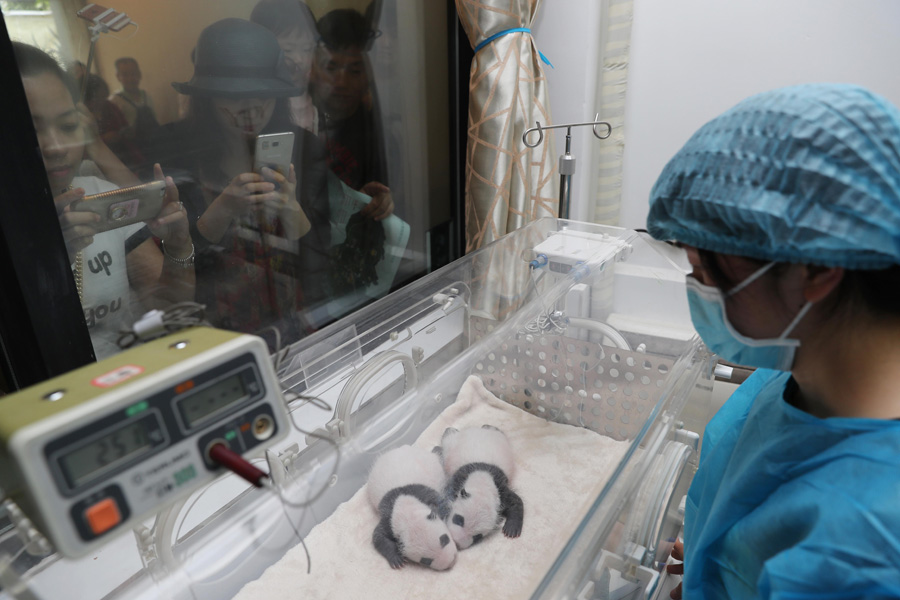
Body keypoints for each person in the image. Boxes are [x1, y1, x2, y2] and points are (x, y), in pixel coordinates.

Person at [645, 84, 900, 599]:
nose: (697, 290)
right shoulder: (797, 368)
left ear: (818, 270)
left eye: (704, 271)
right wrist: (718, 558)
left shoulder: (866, 545)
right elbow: (753, 509)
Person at [14, 42, 194, 360]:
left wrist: (179, 247)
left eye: (68, 126)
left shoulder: (100, 195)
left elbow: (168, 312)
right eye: (30, 131)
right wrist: (49, 258)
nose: (56, 146)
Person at [164, 18, 331, 340]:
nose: (251, 108)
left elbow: (323, 261)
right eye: (235, 96)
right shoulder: (181, 157)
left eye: (263, 95)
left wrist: (291, 210)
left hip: (298, 325)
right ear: (208, 97)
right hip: (215, 332)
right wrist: (222, 209)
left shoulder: (305, 148)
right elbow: (174, 271)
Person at [310, 8, 393, 221]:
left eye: (355, 71)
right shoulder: (296, 120)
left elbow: (382, 195)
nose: (341, 82)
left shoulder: (378, 137)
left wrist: (383, 203)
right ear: (312, 68)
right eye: (331, 68)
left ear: (370, 73)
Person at [109, 57, 159, 173]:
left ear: (139, 74)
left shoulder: (146, 96)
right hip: (133, 153)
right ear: (118, 76)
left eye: (134, 73)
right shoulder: (114, 101)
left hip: (153, 147)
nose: (130, 78)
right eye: (125, 74)